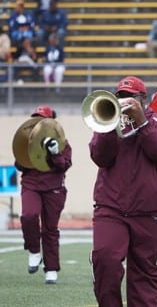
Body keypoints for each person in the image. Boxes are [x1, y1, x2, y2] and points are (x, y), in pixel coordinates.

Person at [89, 76, 157, 306]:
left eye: (130, 97)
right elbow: (100, 157)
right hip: (111, 207)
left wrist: (141, 123)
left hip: (148, 210)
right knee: (105, 260)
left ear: (143, 99)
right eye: (121, 97)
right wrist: (110, 128)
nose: (125, 101)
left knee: (144, 275)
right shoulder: (106, 122)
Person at [14, 105, 72, 285]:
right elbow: (20, 164)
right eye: (35, 119)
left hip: (53, 188)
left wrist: (54, 153)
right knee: (28, 215)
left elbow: (65, 165)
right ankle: (33, 250)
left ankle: (51, 269)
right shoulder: (27, 139)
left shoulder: (62, 142)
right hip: (31, 185)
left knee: (50, 229)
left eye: (42, 119)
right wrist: (29, 149)